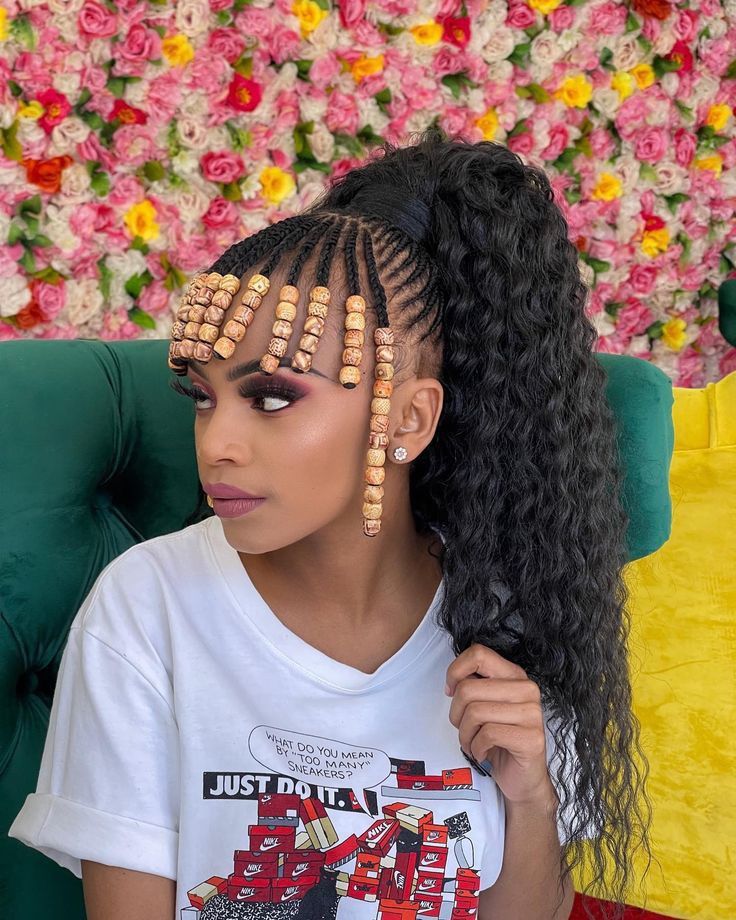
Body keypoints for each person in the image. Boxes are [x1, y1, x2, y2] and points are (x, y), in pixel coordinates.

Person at [8, 126, 652, 920]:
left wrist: (531, 798)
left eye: (272, 397)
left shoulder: (505, 618)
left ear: (409, 419)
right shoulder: (149, 607)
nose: (217, 443)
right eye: (202, 397)